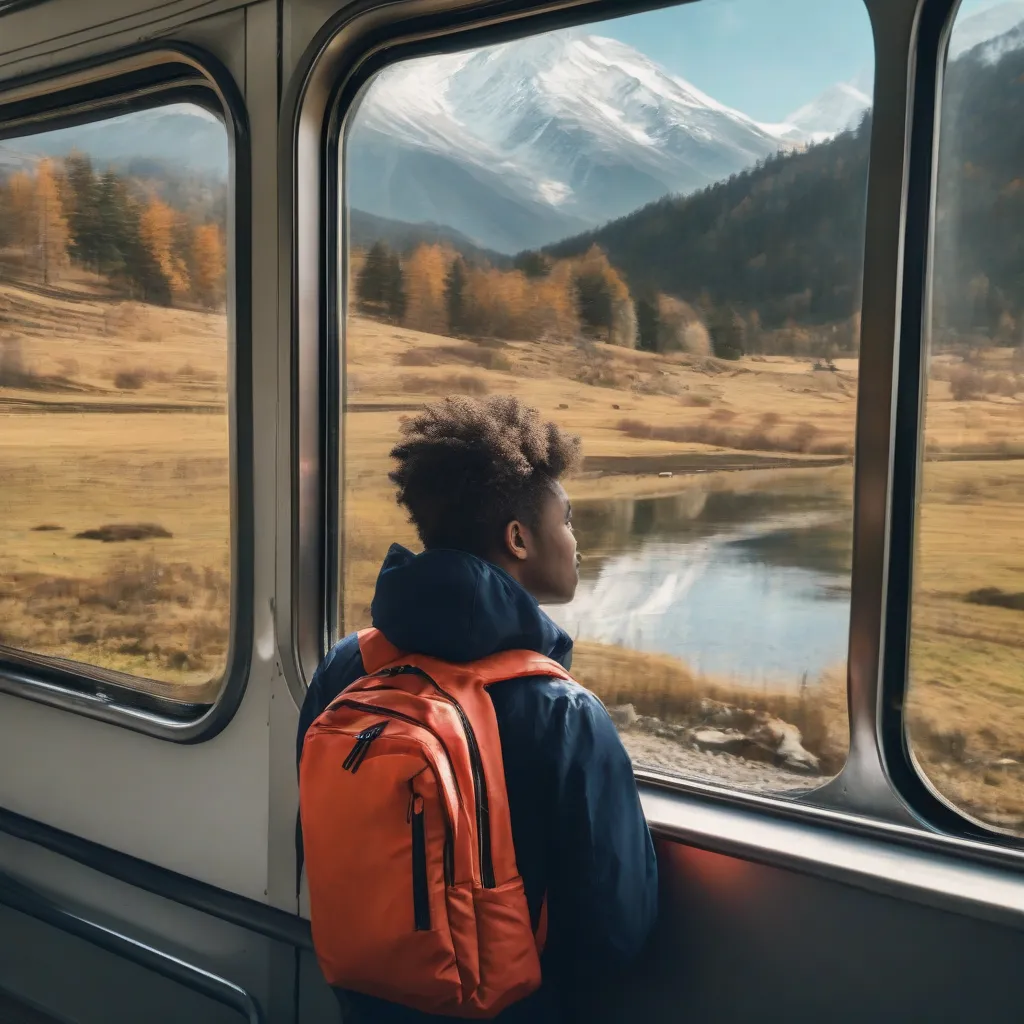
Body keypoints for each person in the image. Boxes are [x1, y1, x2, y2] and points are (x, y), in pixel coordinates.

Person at [297, 395, 658, 1023]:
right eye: (567, 521)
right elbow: (616, 928)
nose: (577, 540)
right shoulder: (564, 713)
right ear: (518, 538)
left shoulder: (347, 665)